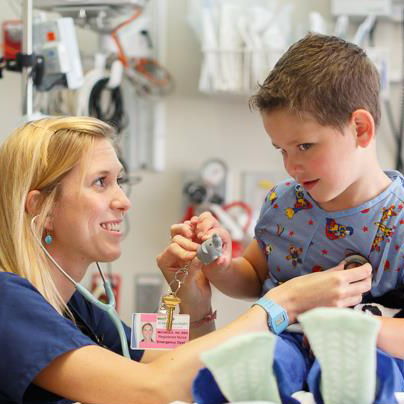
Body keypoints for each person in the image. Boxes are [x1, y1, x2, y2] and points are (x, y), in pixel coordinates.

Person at [0, 115, 372, 404]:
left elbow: (175, 370)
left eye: (119, 181)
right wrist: (282, 304)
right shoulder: (7, 300)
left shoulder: (76, 307)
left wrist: (193, 301)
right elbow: (150, 389)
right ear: (43, 208)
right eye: (100, 182)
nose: (123, 201)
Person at [182, 33, 404, 403]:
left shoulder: (398, 218)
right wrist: (220, 266)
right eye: (281, 150)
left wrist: (353, 328)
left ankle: (351, 384)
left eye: (304, 146)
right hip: (288, 338)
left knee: (364, 367)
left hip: (368, 345)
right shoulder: (285, 204)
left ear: (360, 129)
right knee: (267, 358)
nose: (291, 166)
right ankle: (249, 382)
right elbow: (253, 278)